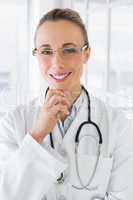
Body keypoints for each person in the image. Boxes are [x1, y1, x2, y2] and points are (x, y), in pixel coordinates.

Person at [0, 8, 133, 200]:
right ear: (36, 55)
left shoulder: (118, 125)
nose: (57, 62)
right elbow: (7, 195)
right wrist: (37, 134)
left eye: (69, 50)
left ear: (86, 54)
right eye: (46, 51)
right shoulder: (13, 123)